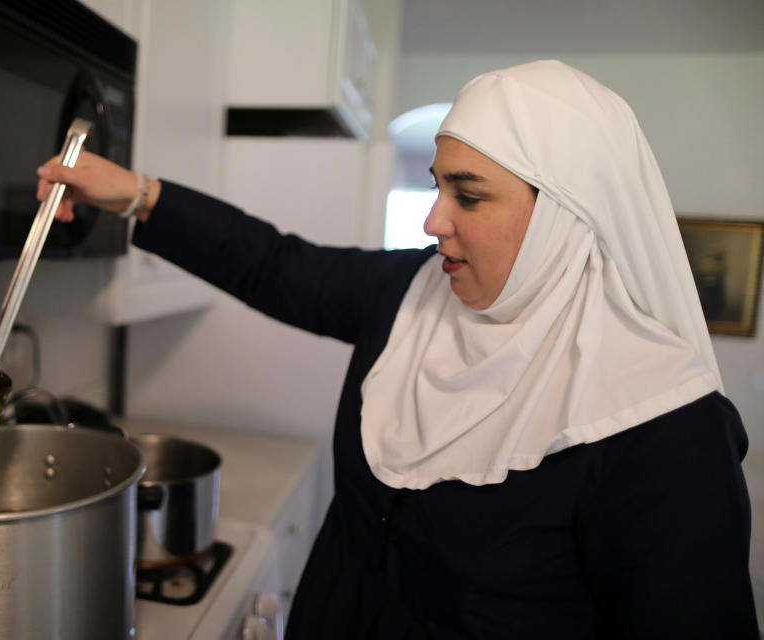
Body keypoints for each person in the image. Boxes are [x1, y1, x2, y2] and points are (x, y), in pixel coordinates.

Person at [38, 60, 758, 639]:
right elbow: (275, 265)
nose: (432, 219)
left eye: (467, 197)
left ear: (566, 217)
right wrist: (135, 193)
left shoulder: (662, 428)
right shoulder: (415, 296)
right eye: (436, 186)